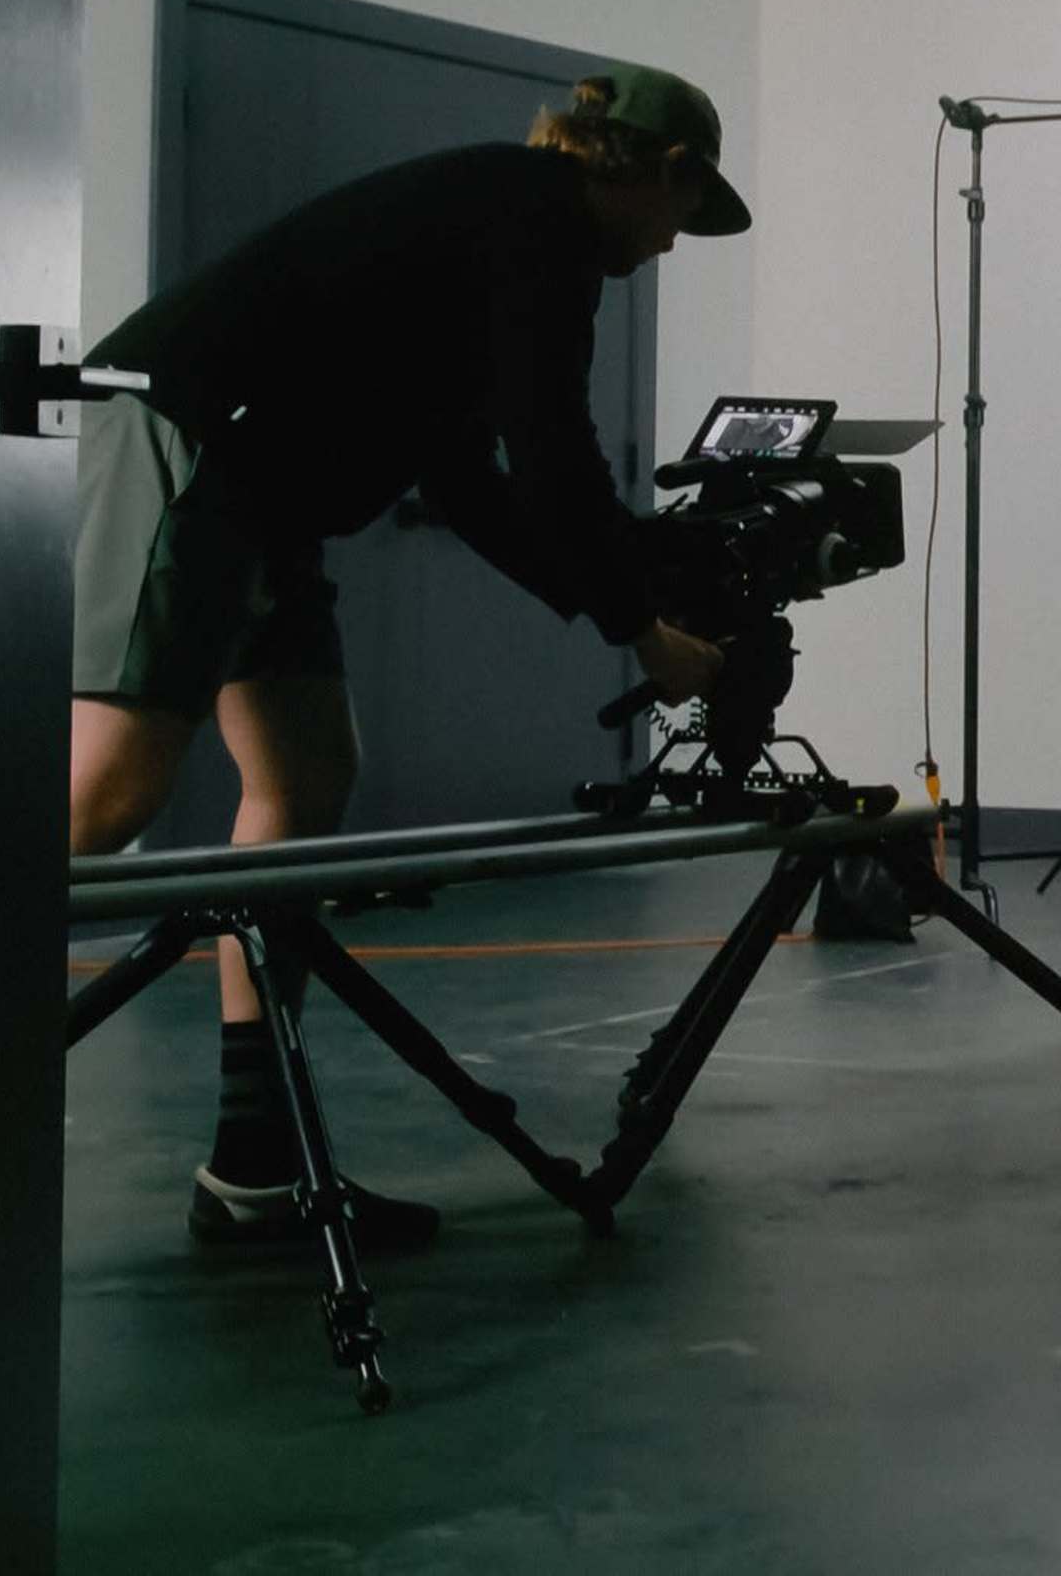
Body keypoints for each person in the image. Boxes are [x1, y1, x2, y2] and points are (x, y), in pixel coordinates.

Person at [69, 66, 742, 1249]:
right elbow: (552, 450)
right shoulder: (542, 218)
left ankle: (255, 1166)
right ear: (665, 173)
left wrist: (620, 605)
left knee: (307, 778)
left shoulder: (490, 229)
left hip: (269, 497)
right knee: (112, 793)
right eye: (686, 218)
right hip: (190, 444)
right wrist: (640, 625)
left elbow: (470, 483)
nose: (676, 248)